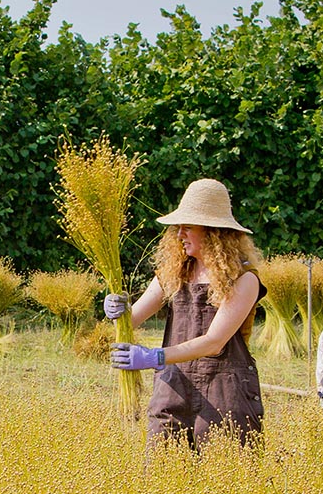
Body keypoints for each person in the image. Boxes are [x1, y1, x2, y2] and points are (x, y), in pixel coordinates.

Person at [105, 178, 266, 451]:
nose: (179, 234)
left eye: (188, 227)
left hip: (225, 392)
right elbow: (133, 318)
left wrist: (154, 357)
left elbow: (214, 342)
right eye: (178, 228)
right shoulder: (174, 272)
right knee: (163, 479)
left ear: (214, 232)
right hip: (173, 390)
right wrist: (116, 311)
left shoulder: (244, 278)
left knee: (226, 481)